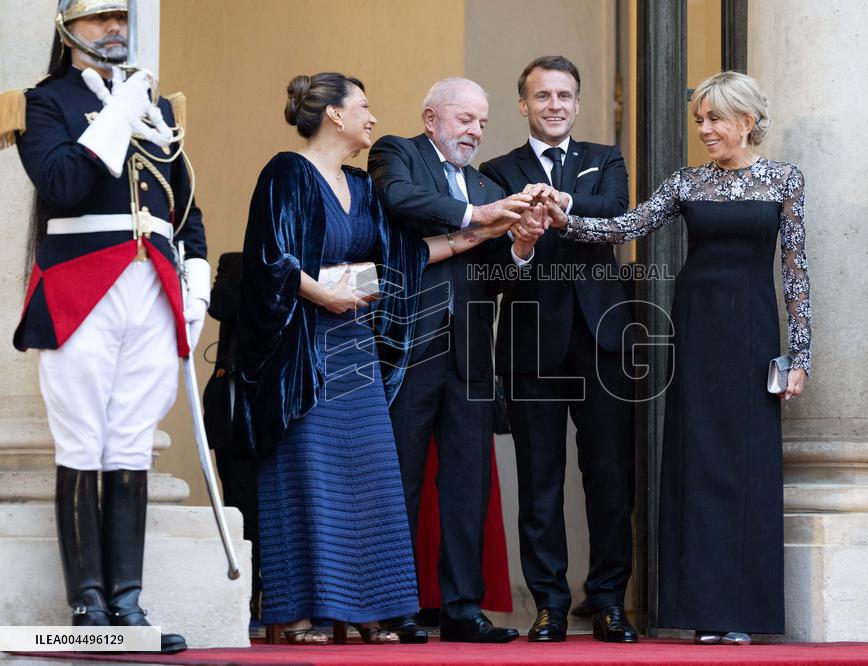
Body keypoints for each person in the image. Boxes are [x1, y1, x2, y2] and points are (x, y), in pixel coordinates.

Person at [235, 72, 542, 646]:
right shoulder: (287, 170)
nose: (373, 117)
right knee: (309, 476)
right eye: (364, 107)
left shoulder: (357, 183)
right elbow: (270, 259)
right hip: (307, 346)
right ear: (333, 114)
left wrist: (493, 230)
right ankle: (301, 615)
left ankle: (363, 608)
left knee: (365, 481)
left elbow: (398, 258)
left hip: (356, 347)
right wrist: (322, 292)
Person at [545, 71, 811, 645]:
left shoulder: (785, 179)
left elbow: (796, 273)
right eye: (699, 121)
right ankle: (704, 611)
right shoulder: (688, 182)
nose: (705, 130)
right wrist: (567, 220)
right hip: (696, 329)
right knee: (696, 461)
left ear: (746, 120)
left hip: (753, 333)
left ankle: (742, 613)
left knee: (747, 464)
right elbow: (628, 224)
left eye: (715, 119)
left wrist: (799, 356)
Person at [2, 0, 208, 654]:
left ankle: (127, 604)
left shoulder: (162, 108)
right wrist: (119, 113)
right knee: (82, 441)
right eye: (100, 18)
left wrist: (195, 280)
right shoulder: (41, 102)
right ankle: (86, 603)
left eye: (122, 17)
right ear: (68, 28)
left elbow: (185, 207)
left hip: (153, 287)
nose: (115, 28)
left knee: (129, 441)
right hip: (81, 287)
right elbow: (61, 183)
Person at [368, 77, 537, 643]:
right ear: (431, 117)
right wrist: (479, 214)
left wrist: (521, 243)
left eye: (482, 123)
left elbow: (495, 269)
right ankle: (394, 608)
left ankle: (463, 609)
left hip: (469, 353)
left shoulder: (483, 182)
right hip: (409, 345)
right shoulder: (398, 153)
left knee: (468, 484)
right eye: (465, 119)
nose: (475, 131)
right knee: (402, 477)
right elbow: (401, 203)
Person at [479, 55, 638, 643]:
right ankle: (548, 603)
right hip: (530, 343)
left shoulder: (606, 161)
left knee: (609, 478)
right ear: (523, 104)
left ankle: (608, 602)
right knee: (539, 477)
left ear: (577, 103)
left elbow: (617, 212)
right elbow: (491, 262)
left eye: (564, 96)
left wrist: (562, 206)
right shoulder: (497, 172)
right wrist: (520, 242)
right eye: (542, 96)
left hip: (602, 341)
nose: (554, 105)